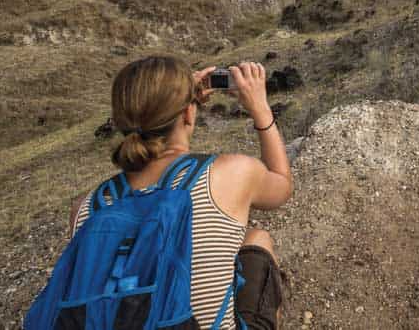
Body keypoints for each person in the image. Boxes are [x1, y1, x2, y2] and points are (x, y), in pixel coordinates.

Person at [69, 57, 293, 330]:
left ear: (119, 121)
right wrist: (260, 107)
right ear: (188, 113)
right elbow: (281, 185)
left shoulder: (86, 208)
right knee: (257, 239)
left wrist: (180, 101)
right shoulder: (230, 174)